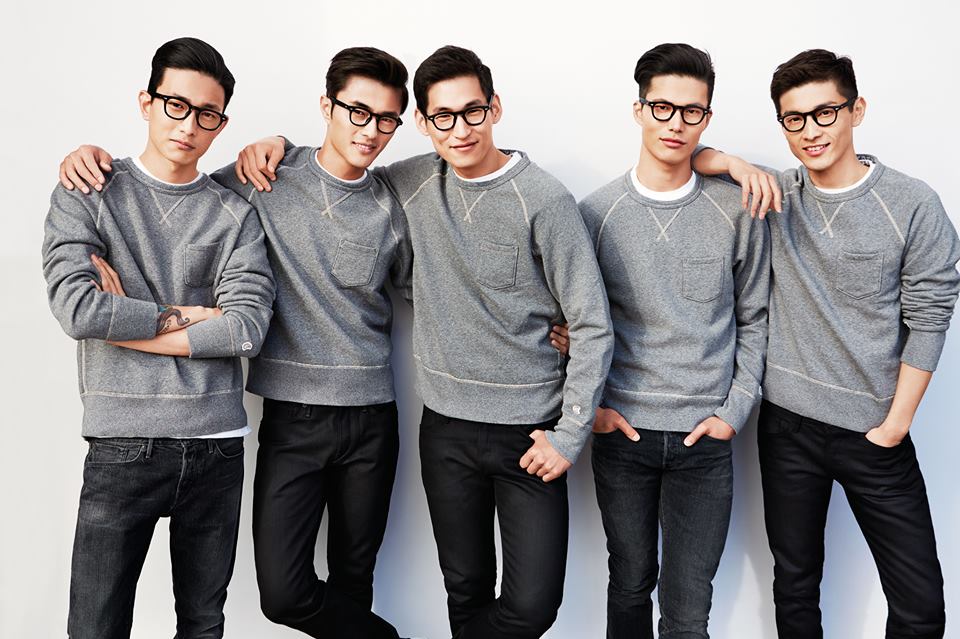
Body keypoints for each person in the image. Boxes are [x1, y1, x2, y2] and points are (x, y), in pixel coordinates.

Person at [224, 45, 614, 639]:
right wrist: (270, 142)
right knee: (457, 592)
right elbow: (211, 188)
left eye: (472, 112)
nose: (460, 130)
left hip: (525, 428)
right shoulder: (389, 182)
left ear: (495, 108)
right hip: (433, 426)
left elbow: (590, 322)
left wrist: (570, 431)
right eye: (442, 117)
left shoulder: (532, 199)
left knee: (531, 606)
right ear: (424, 123)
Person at [56, 47, 415, 639]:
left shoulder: (386, 203)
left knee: (351, 581)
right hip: (282, 416)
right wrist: (85, 155)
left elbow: (245, 327)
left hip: (365, 413)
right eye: (357, 111)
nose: (370, 130)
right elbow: (84, 303)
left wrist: (547, 324)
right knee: (279, 594)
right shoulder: (257, 181)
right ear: (326, 106)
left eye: (386, 119)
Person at [693, 49, 960, 638]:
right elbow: (694, 157)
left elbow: (930, 319)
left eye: (824, 113)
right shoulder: (776, 192)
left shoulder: (911, 204)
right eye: (794, 119)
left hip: (874, 432)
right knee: (795, 589)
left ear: (856, 110)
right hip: (787, 427)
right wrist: (737, 164)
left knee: (921, 609)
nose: (810, 131)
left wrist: (894, 427)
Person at [42, 37, 275, 639]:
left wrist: (126, 319)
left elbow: (246, 328)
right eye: (176, 104)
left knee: (203, 625)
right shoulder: (88, 190)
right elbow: (79, 310)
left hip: (217, 445)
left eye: (207, 114)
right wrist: (195, 314)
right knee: (95, 627)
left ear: (221, 125)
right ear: (146, 102)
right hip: (123, 443)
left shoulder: (235, 214)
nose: (189, 125)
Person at [571, 43, 769, 639]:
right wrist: (592, 410)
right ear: (638, 110)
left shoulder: (737, 209)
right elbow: (569, 326)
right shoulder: (595, 214)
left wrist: (733, 413)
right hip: (622, 435)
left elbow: (756, 318)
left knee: (688, 612)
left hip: (703, 442)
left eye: (691, 111)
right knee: (630, 586)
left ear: (707, 118)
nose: (675, 123)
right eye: (662, 108)